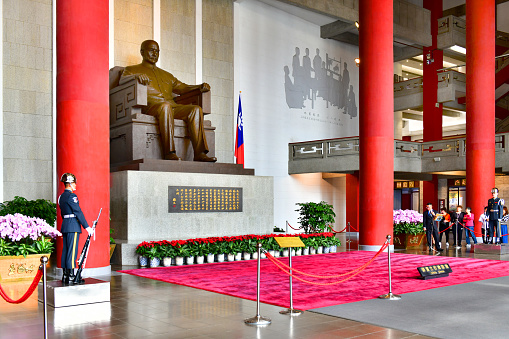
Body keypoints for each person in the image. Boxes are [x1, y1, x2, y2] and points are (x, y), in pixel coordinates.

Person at [120, 40, 216, 162]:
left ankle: (200, 154)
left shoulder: (167, 75)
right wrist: (135, 77)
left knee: (196, 109)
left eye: (157, 51)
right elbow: (122, 81)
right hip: (151, 108)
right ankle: (169, 152)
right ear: (142, 52)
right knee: (165, 107)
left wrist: (199, 87)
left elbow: (183, 88)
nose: (155, 53)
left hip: (171, 108)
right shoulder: (132, 70)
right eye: (151, 50)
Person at [58, 173, 94, 285]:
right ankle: (72, 276)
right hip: (73, 225)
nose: (75, 185)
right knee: (72, 252)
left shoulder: (61, 197)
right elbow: (78, 211)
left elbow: (62, 213)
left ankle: (65, 275)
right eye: (74, 183)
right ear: (69, 184)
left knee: (65, 251)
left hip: (65, 224)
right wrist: (87, 227)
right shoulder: (72, 196)